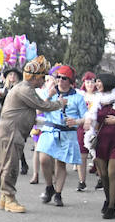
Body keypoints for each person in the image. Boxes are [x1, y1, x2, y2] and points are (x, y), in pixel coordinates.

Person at [0, 56, 66, 213]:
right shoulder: (25, 89)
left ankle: (4, 197)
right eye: (42, 77)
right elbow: (42, 105)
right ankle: (9, 198)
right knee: (10, 165)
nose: (43, 81)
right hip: (11, 132)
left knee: (6, 164)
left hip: (11, 131)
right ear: (33, 77)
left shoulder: (24, 88)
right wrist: (60, 103)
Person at [37, 65, 87, 207]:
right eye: (58, 77)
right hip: (50, 129)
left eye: (64, 78)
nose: (60, 80)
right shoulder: (49, 92)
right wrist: (49, 96)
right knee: (44, 159)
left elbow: (85, 117)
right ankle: (49, 186)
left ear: (70, 81)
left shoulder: (77, 97)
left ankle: (58, 193)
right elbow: (39, 110)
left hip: (67, 132)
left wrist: (76, 121)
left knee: (61, 163)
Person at [84, 72, 115, 219]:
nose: (96, 84)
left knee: (112, 173)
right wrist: (87, 122)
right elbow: (89, 117)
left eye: (99, 81)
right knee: (103, 175)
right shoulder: (97, 99)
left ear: (107, 82)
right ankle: (108, 198)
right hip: (100, 141)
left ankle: (112, 207)